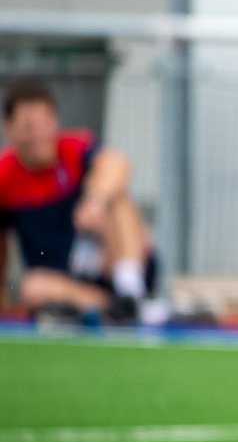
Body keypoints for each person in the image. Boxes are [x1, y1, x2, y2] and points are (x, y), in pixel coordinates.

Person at [0, 78, 156, 322]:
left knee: (119, 200)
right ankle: (123, 310)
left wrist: (95, 200)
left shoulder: (75, 148)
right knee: (33, 287)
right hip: (60, 282)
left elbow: (118, 164)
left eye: (44, 123)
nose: (38, 135)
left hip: (105, 263)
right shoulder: (5, 176)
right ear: (8, 127)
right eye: (28, 126)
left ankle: (132, 292)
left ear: (55, 121)